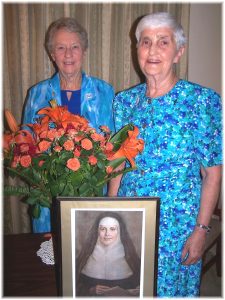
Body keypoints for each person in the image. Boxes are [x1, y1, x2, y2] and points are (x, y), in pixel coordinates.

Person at [108, 12, 222, 297]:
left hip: (178, 225)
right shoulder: (124, 102)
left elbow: (212, 173)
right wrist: (109, 209)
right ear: (137, 51)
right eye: (145, 42)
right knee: (128, 288)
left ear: (178, 51)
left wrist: (201, 230)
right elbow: (118, 165)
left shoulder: (201, 101)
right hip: (130, 221)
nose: (153, 50)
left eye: (163, 42)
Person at [22, 17, 115, 132]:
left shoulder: (104, 91)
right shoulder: (37, 94)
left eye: (75, 47)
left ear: (84, 52)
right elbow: (25, 144)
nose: (68, 54)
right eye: (61, 48)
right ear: (52, 55)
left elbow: (114, 143)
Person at [76, 212, 141, 296]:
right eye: (103, 229)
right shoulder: (83, 258)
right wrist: (91, 290)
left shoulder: (131, 259)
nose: (107, 234)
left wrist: (126, 292)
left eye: (112, 229)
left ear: (119, 231)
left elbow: (142, 289)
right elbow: (74, 287)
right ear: (97, 231)